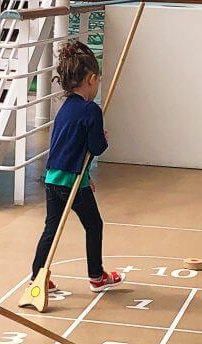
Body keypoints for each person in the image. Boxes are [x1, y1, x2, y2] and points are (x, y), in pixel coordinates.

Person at [29, 40, 123, 293]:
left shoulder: (66, 107)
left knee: (52, 227)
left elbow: (69, 146)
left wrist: (85, 176)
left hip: (53, 178)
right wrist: (103, 137)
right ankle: (96, 276)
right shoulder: (91, 110)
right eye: (98, 81)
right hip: (71, 181)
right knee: (94, 225)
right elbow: (97, 146)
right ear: (91, 78)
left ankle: (38, 276)